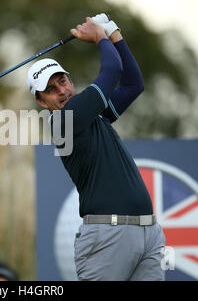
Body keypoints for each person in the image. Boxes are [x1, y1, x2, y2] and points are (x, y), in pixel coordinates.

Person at [26, 14, 166, 281]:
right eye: (51, 89)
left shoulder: (93, 115)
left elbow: (133, 84)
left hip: (148, 233)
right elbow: (111, 71)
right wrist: (100, 37)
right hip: (107, 237)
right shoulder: (66, 119)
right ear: (42, 102)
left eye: (62, 81)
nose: (62, 91)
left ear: (70, 79)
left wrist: (114, 33)